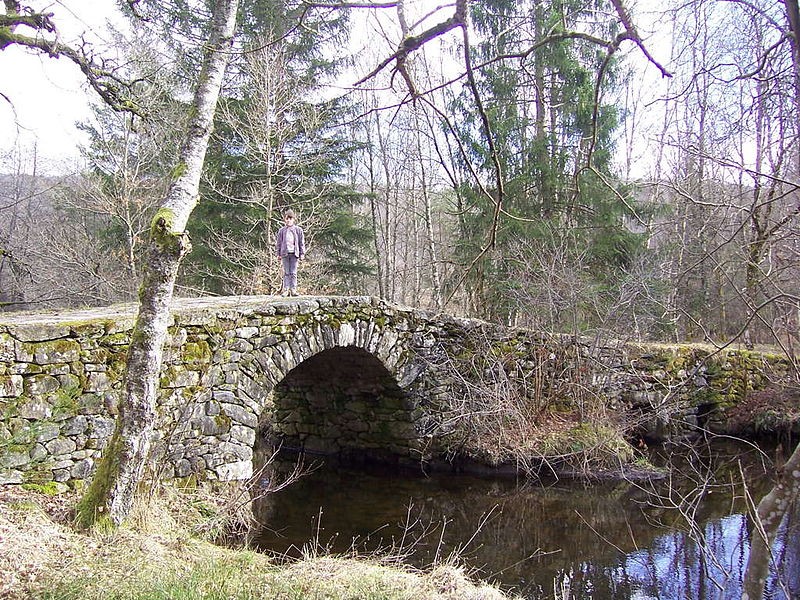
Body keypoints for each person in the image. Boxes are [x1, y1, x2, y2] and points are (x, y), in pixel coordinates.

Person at [275, 209, 305, 296]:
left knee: (293, 272)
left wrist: (302, 253)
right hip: (285, 253)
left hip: (294, 254)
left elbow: (301, 242)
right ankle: (286, 290)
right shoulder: (282, 231)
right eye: (287, 218)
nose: (288, 220)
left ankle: (293, 289)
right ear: (285, 219)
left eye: (290, 218)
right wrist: (278, 254)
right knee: (286, 272)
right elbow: (279, 243)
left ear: (293, 219)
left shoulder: (298, 230)